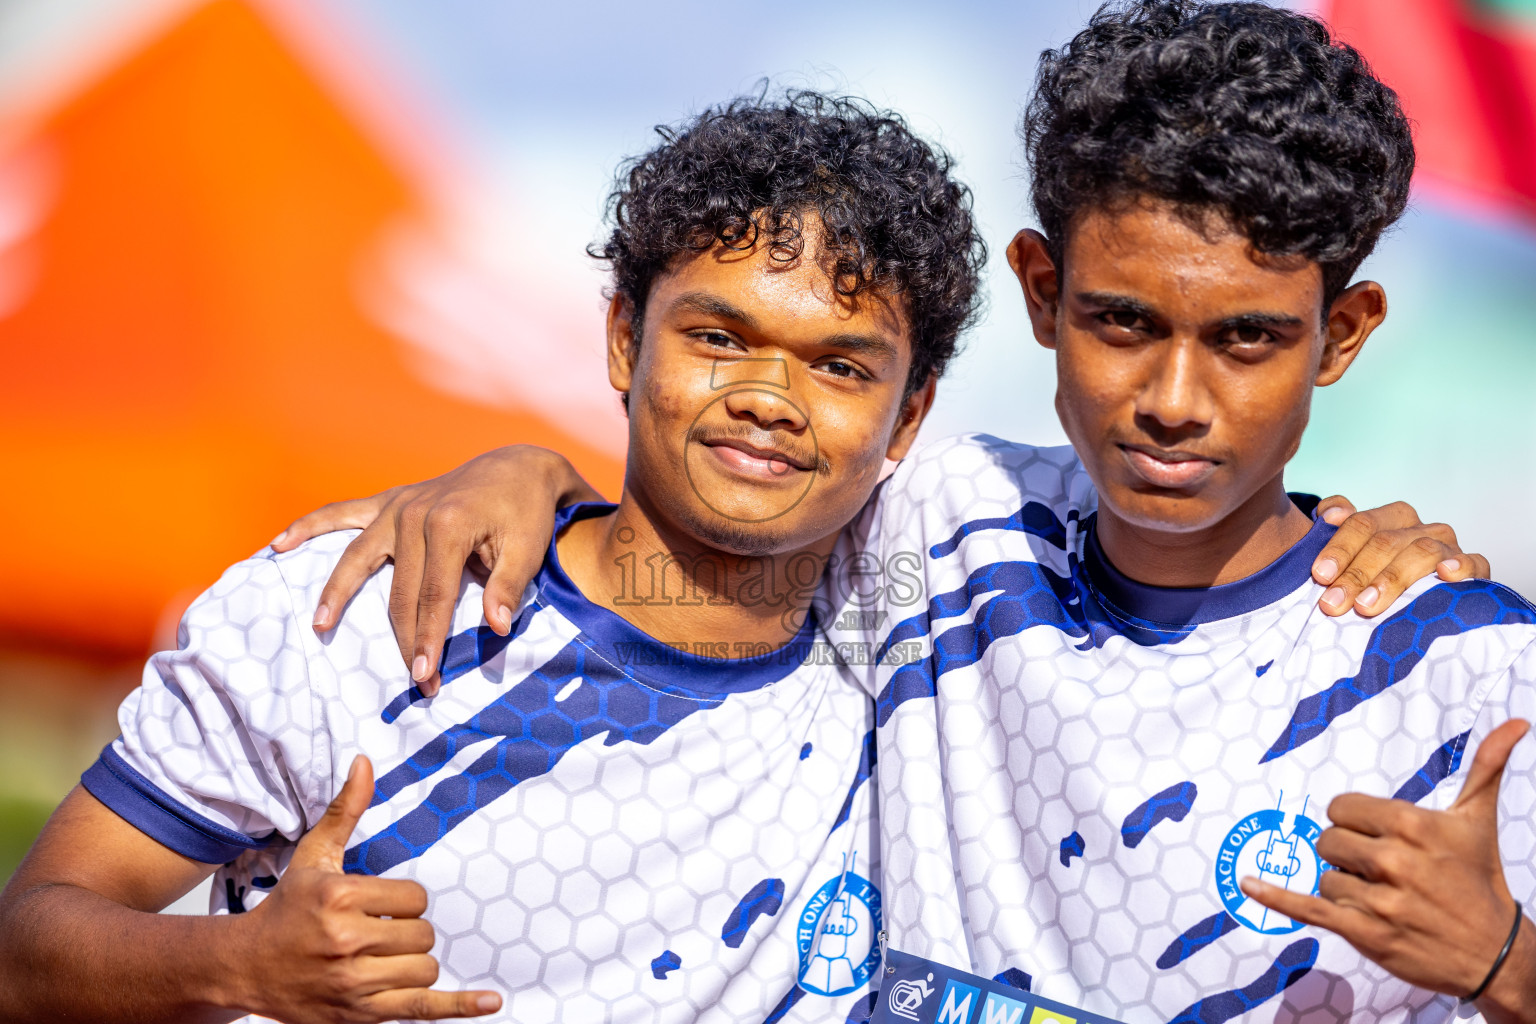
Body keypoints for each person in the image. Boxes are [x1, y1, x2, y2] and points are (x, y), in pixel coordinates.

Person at [273, 3, 1536, 1021]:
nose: (1172, 399)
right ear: (1042, 292)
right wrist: (529, 479)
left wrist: (1501, 964)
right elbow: (697, 512)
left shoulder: (1468, 668)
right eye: (1121, 322)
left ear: (1344, 333)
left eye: (1248, 340)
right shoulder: (931, 527)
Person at [0, 91, 986, 1024]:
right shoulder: (348, 611)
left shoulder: (929, 665)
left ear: (909, 415)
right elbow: (24, 953)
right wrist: (240, 963)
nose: (770, 396)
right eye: (720, 337)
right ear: (623, 337)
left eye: (840, 366)